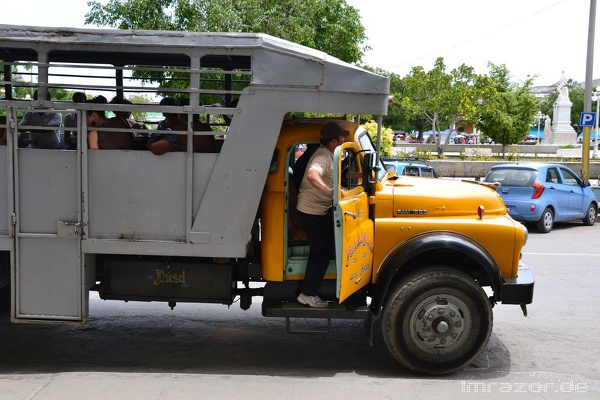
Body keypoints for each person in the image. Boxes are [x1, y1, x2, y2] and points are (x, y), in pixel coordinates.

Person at [295, 122, 349, 308]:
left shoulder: (329, 155)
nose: (344, 140)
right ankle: (307, 294)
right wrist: (330, 191)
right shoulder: (323, 156)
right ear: (334, 141)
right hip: (312, 211)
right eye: (342, 138)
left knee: (333, 246)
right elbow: (312, 175)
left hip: (320, 210)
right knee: (321, 254)